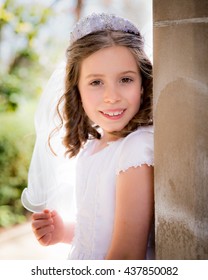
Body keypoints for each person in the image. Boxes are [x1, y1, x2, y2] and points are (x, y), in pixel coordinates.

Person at [22, 13, 154, 260]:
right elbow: (98, 232)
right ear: (77, 90)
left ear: (142, 84)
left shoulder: (136, 148)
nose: (111, 96)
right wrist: (63, 233)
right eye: (96, 82)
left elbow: (126, 256)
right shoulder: (93, 146)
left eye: (125, 79)